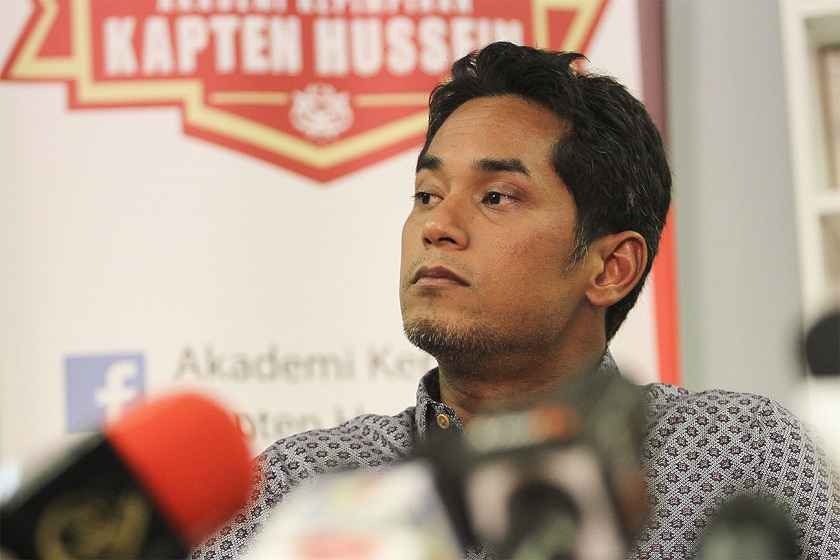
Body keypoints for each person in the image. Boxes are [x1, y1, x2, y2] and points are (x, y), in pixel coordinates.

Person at [192, 42, 839, 559]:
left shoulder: (739, 453)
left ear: (611, 267)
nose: (436, 225)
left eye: (497, 196)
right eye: (426, 194)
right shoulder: (297, 487)